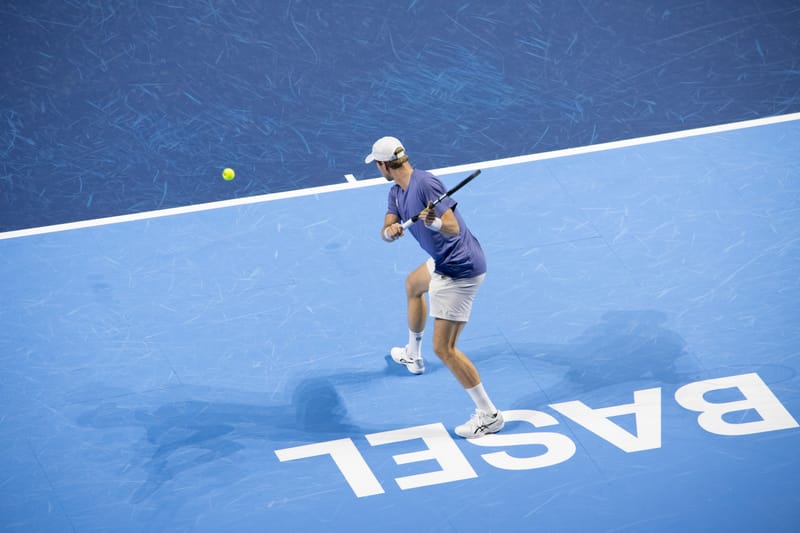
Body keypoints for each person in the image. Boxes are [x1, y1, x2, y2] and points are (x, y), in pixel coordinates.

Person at [365, 136, 504, 439]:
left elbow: (452, 227)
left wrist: (434, 223)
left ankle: (489, 415)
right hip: (441, 261)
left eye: (377, 164)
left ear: (384, 164)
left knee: (445, 349)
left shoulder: (426, 184)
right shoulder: (396, 192)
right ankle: (412, 355)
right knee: (413, 285)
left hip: (459, 269)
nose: (377, 169)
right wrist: (392, 231)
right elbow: (386, 230)